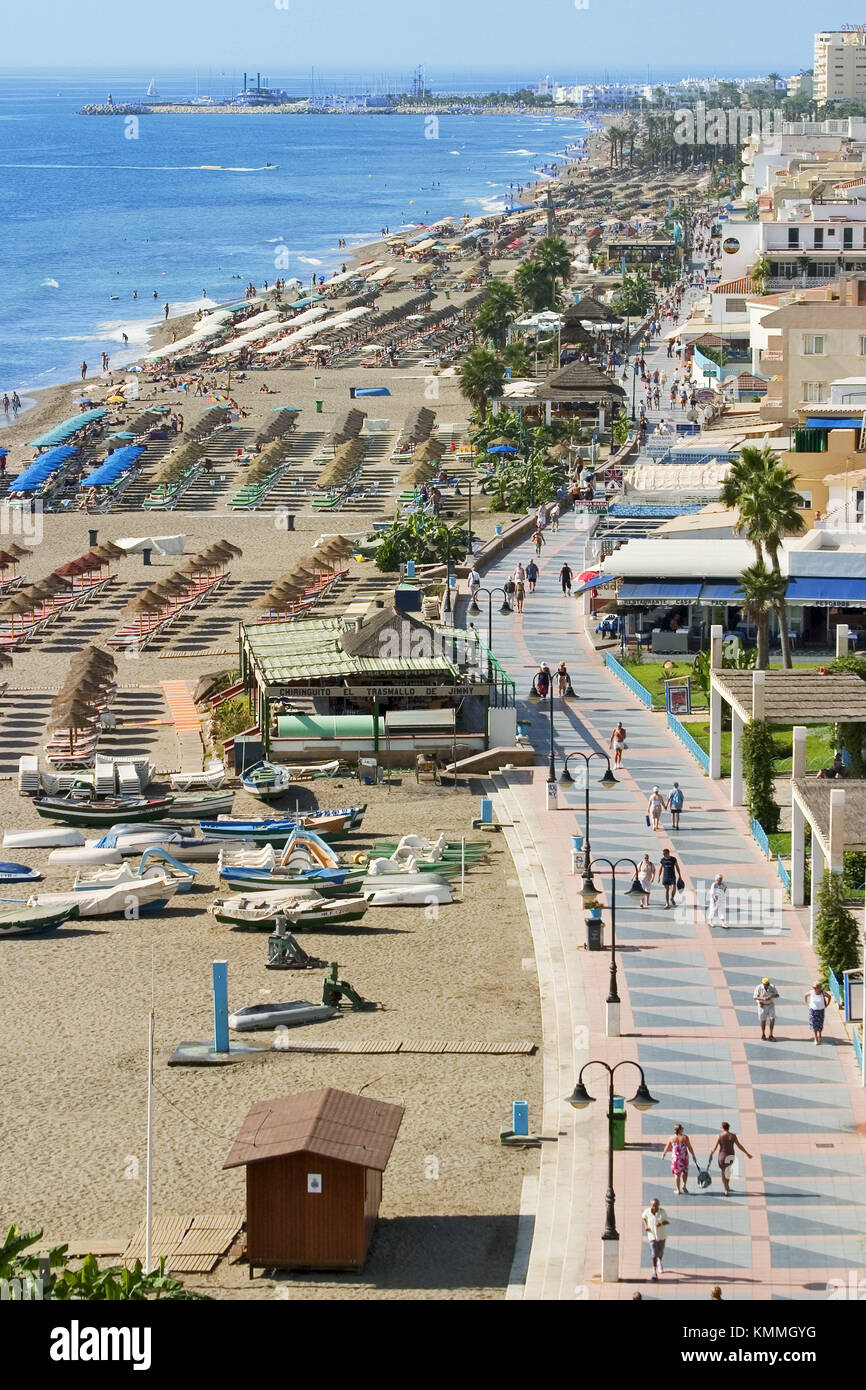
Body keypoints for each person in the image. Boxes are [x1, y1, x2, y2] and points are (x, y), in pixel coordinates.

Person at [709, 1121, 752, 1196]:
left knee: (723, 1172)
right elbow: (739, 1146)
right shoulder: (733, 1136)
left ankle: (725, 1189)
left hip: (722, 1156)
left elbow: (715, 1147)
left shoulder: (720, 1136)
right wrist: (747, 1153)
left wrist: (711, 1153)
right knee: (728, 1172)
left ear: (722, 1128)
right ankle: (728, 1186)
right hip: (731, 1156)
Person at [662, 1122, 697, 1195]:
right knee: (685, 1172)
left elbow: (667, 1147)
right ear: (680, 1130)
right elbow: (689, 1147)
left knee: (677, 1174)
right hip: (684, 1157)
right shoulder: (685, 1137)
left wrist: (664, 1154)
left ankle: (678, 1190)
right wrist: (693, 1155)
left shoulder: (671, 1138)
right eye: (682, 1128)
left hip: (676, 1159)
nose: (683, 1129)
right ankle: (684, 1185)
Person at [641, 1197, 670, 1280]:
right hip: (652, 1236)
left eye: (656, 1206)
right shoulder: (647, 1211)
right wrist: (646, 1226)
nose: (655, 1207)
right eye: (653, 1205)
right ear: (651, 1205)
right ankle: (654, 1271)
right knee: (654, 1253)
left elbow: (667, 1221)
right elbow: (643, 1217)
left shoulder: (662, 1212)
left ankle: (659, 1262)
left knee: (660, 1252)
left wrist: (660, 1223)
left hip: (661, 1236)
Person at [805, 980, 831, 1044]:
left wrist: (827, 1005)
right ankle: (816, 1038)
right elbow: (805, 995)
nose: (814, 988)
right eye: (813, 987)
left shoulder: (823, 993)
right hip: (813, 1010)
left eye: (815, 987)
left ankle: (820, 1035)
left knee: (820, 1024)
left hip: (821, 1010)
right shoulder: (811, 992)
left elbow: (829, 997)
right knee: (814, 1025)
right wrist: (807, 1005)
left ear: (819, 988)